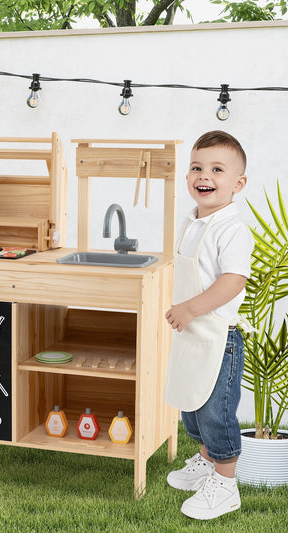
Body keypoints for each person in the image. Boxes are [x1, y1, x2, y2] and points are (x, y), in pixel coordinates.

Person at [164, 130, 253, 520]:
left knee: (216, 411)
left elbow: (232, 281)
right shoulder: (194, 221)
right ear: (188, 177)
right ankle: (204, 462)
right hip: (193, 332)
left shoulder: (230, 228)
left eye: (217, 169)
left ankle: (225, 483)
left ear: (238, 183)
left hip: (220, 336)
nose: (205, 175)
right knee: (192, 405)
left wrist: (190, 309)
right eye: (197, 167)